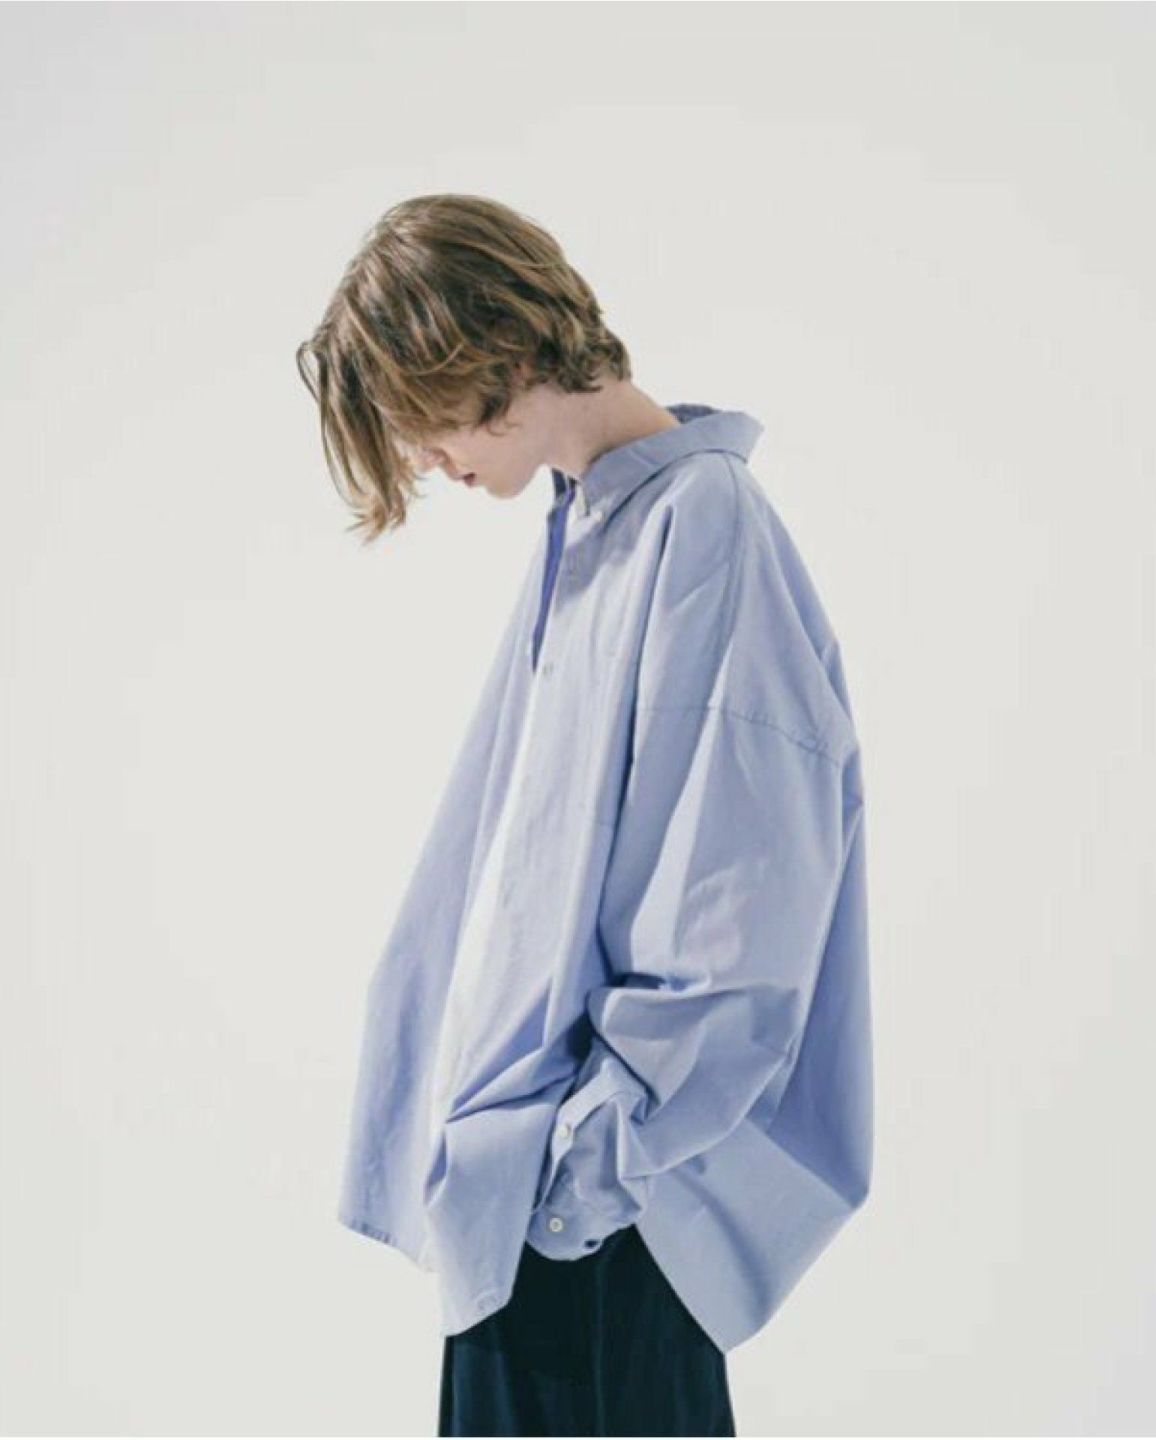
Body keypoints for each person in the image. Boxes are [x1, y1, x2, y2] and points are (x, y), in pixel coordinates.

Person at [296, 193, 873, 1438]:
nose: (421, 459)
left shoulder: (702, 525)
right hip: (529, 1214)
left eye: (419, 418)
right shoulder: (591, 530)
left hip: (599, 1227)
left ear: (494, 358)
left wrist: (581, 1179)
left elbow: (740, 913)